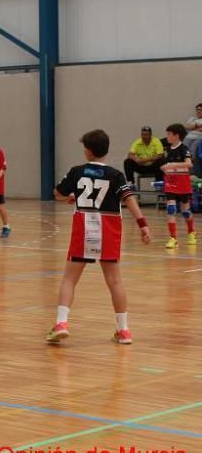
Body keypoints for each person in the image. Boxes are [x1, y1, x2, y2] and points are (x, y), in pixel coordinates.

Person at [46, 130, 152, 345]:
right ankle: (123, 331)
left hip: (84, 228)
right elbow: (129, 198)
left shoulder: (77, 171)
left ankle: (61, 323)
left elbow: (58, 193)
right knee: (115, 281)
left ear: (88, 151)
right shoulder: (115, 175)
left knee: (70, 279)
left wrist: (72, 197)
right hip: (108, 229)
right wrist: (143, 224)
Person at [160, 123, 196, 249]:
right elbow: (165, 164)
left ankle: (191, 232)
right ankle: (173, 238)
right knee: (171, 209)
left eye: (169, 134)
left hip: (183, 183)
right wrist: (164, 168)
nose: (167, 136)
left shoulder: (184, 148)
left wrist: (171, 166)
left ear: (177, 135)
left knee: (185, 210)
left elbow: (189, 164)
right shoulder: (167, 150)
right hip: (170, 182)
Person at [187, 103, 202, 177]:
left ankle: (192, 173)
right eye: (197, 110)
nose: (199, 111)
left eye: (200, 110)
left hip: (199, 138)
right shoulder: (192, 118)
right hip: (188, 137)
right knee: (184, 151)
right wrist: (197, 124)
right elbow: (187, 127)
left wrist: (194, 126)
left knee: (193, 152)